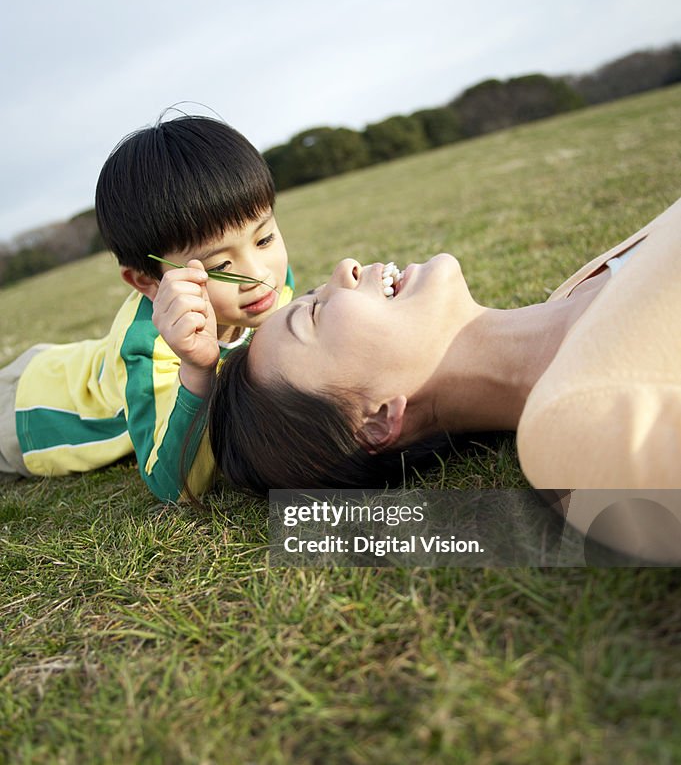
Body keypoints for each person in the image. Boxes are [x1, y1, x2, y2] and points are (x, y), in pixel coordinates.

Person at [208, 197, 681, 560]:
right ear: (377, 421)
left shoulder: (578, 290)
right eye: (312, 314)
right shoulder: (571, 434)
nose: (344, 268)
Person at [0, 115, 294, 501]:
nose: (259, 276)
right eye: (221, 266)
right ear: (148, 281)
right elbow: (173, 484)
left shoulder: (271, 286)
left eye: (265, 238)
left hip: (66, 362)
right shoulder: (147, 346)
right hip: (28, 409)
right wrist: (197, 369)